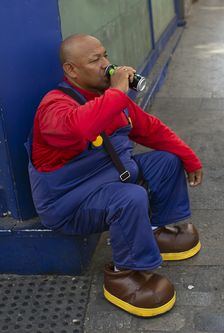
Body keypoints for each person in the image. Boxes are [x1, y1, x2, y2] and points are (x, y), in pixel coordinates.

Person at [27, 34, 203, 317]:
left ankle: (155, 230)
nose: (106, 64)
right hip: (70, 204)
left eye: (105, 56)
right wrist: (118, 91)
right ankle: (124, 274)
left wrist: (189, 158)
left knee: (168, 160)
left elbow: (152, 129)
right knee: (130, 198)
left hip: (113, 178)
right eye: (95, 60)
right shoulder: (54, 106)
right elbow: (80, 128)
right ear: (71, 70)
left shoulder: (108, 98)